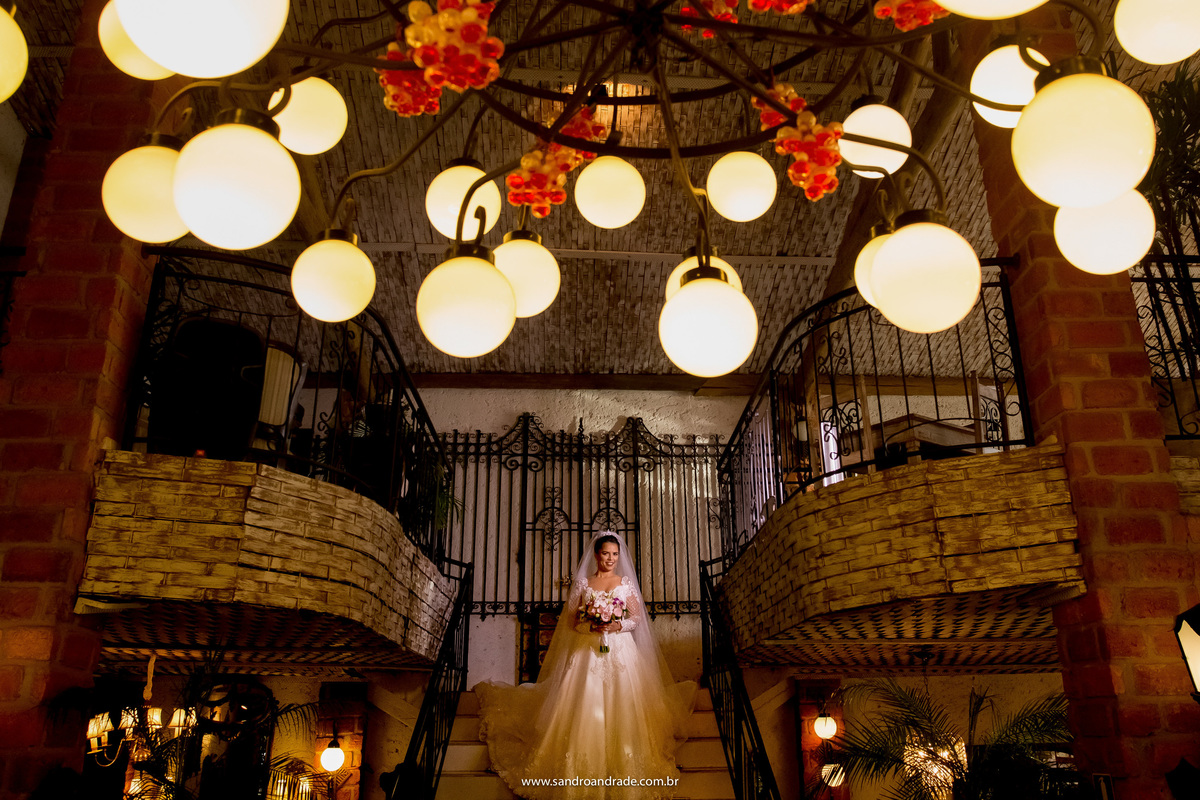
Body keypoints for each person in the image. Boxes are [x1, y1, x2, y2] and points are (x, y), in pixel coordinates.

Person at [475, 531, 697, 799]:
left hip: (620, 649)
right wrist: (591, 624)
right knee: (581, 703)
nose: (611, 559)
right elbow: (571, 622)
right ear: (596, 554)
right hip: (587, 650)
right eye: (606, 554)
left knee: (625, 706)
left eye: (615, 554)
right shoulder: (583, 584)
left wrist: (616, 624)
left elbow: (636, 618)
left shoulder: (625, 583)